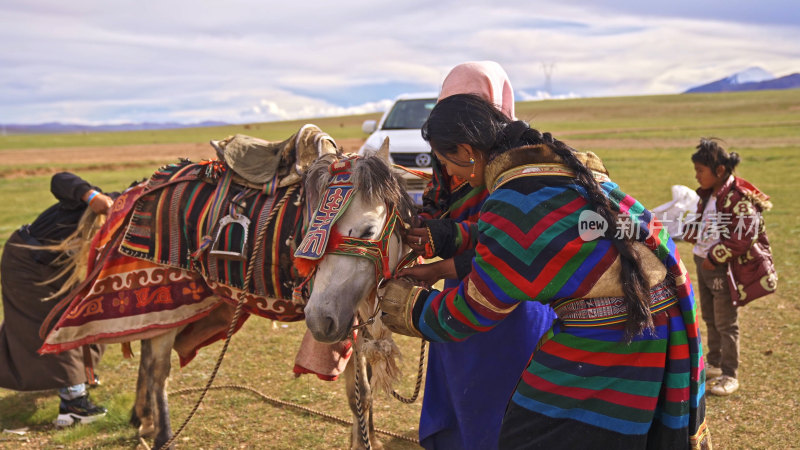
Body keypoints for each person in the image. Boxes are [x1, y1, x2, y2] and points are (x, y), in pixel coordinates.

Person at [381, 94, 710, 449]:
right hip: (652, 314)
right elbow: (537, 237)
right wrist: (449, 237)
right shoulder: (551, 171)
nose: (447, 173)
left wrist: (404, 304)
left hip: (617, 336)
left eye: (445, 161)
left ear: (466, 151)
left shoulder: (513, 198)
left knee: (534, 437)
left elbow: (473, 309)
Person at [403, 61, 556, 449]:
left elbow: (509, 250)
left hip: (512, 301)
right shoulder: (454, 160)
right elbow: (463, 222)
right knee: (462, 395)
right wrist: (430, 234)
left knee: (500, 403)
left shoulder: (521, 169)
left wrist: (436, 266)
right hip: (459, 290)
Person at [0, 172, 114, 426]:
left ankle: (79, 379)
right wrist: (92, 196)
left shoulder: (133, 226)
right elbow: (60, 179)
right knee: (54, 327)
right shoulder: (101, 203)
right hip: (27, 261)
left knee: (88, 317)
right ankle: (74, 407)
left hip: (56, 268)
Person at [683, 138, 776, 396]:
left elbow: (745, 235)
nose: (697, 175)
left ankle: (730, 374)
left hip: (720, 267)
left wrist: (716, 256)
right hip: (703, 263)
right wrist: (692, 233)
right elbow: (707, 224)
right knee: (710, 318)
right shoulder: (708, 195)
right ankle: (714, 362)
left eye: (701, 170)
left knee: (726, 322)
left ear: (720, 170)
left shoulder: (738, 198)